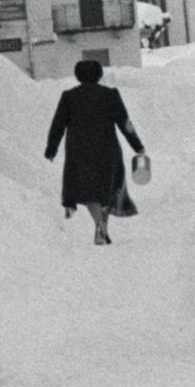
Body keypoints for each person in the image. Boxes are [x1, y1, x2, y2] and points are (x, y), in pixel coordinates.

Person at [44, 55, 148, 246]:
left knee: (88, 191)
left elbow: (58, 125)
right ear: (99, 75)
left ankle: (98, 222)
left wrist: (51, 150)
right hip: (107, 149)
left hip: (79, 151)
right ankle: (103, 227)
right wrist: (137, 145)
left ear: (78, 76)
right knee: (107, 188)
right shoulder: (110, 95)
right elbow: (125, 123)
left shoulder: (69, 97)